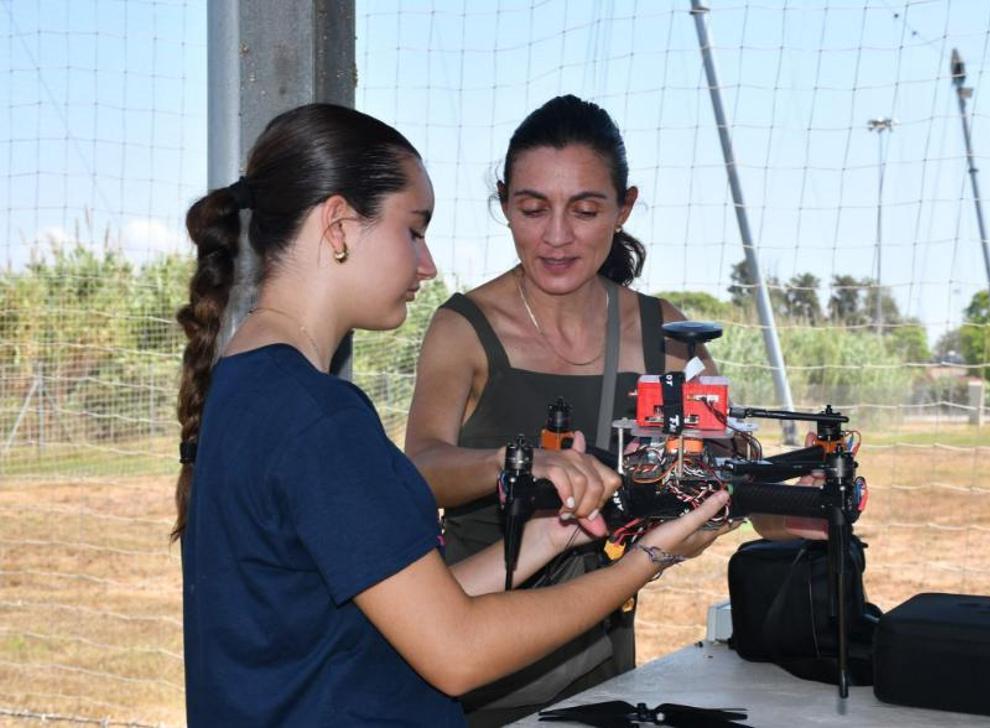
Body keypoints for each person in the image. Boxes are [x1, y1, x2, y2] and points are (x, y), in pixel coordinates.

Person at [172, 102, 730, 726]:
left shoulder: (253, 384)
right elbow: (457, 650)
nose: (428, 263)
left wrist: (551, 536)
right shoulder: (317, 417)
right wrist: (647, 560)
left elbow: (406, 606)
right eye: (413, 230)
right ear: (338, 225)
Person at [405, 95, 720, 726]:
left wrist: (782, 508)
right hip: (477, 650)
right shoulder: (463, 327)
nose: (556, 236)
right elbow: (422, 469)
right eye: (532, 209)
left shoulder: (667, 332)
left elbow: (716, 466)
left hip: (602, 655)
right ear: (504, 204)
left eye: (585, 210)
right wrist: (522, 463)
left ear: (623, 208)